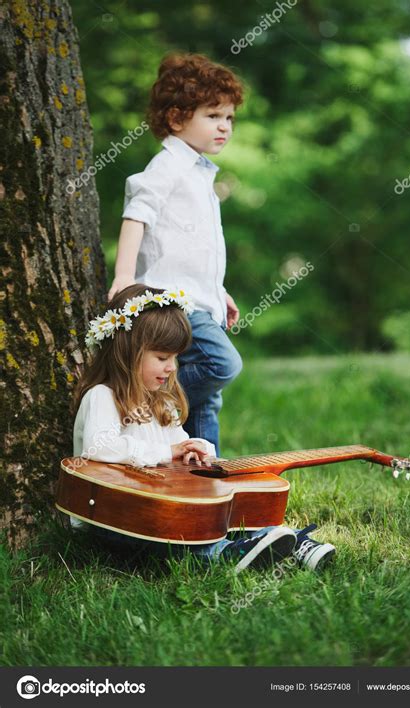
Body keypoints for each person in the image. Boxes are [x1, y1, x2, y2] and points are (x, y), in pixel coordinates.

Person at [69, 285, 336, 573]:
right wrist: (166, 451)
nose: (172, 367)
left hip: (163, 510)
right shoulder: (102, 396)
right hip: (114, 521)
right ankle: (226, 555)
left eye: (175, 358)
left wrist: (194, 450)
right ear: (127, 352)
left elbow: (179, 444)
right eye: (162, 357)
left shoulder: (161, 403)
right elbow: (99, 447)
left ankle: (288, 542)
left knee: (221, 512)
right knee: (180, 537)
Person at [107, 52, 245, 456]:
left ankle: (205, 477)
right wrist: (124, 276)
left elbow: (198, 247)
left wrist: (218, 292)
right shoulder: (168, 166)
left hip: (200, 299)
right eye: (213, 115)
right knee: (223, 366)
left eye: (229, 118)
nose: (224, 126)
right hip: (173, 301)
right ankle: (152, 404)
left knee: (208, 402)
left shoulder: (200, 172)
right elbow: (137, 214)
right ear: (176, 118)